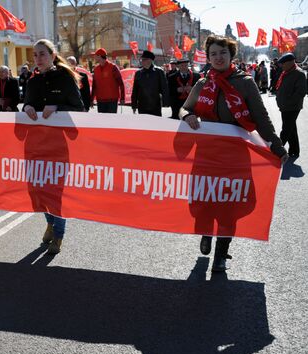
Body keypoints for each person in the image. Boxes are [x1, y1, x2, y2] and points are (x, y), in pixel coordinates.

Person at [180, 35, 288, 272]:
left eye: (223, 53)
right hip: (205, 156)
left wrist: (276, 146)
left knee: (230, 204)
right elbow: (185, 108)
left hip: (235, 158)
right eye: (213, 54)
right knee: (204, 200)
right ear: (208, 58)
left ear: (232, 56)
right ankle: (206, 231)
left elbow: (261, 118)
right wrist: (187, 116)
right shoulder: (202, 84)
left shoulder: (245, 83)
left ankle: (221, 252)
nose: (218, 58)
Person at [22, 39, 84, 254]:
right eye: (35, 55)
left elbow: (79, 109)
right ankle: (50, 222)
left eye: (42, 54)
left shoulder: (65, 78)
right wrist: (28, 107)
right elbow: (26, 106)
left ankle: (58, 234)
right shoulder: (32, 81)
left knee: (56, 192)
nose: (38, 58)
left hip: (59, 145)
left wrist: (57, 107)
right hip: (35, 145)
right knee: (38, 190)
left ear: (52, 54)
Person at [275, 52, 307, 159]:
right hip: (285, 107)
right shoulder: (286, 72)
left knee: (286, 129)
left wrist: (287, 102)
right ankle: (294, 150)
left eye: (283, 63)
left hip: (292, 107)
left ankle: (277, 151)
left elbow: (301, 92)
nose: (281, 65)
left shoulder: (299, 73)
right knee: (291, 129)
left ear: (290, 62)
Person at [131, 50, 169, 116]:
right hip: (142, 105)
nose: (141, 61)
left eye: (143, 59)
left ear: (149, 60)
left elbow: (164, 88)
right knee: (143, 125)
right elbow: (135, 90)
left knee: (155, 125)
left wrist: (166, 102)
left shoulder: (159, 72)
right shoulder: (138, 73)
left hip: (155, 105)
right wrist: (134, 105)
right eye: (141, 60)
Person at [90, 48, 125, 113]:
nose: (94, 57)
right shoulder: (95, 69)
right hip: (100, 101)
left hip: (112, 101)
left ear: (99, 56)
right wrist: (91, 99)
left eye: (95, 56)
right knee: (102, 122)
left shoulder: (113, 67)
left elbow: (121, 83)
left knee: (112, 122)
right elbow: (94, 85)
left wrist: (122, 98)